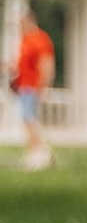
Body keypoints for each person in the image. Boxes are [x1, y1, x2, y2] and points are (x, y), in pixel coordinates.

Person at [12, 11, 56, 170]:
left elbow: (46, 63)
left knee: (29, 118)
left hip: (33, 86)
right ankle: (36, 150)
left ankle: (39, 152)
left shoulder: (40, 39)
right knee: (27, 118)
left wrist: (44, 85)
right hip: (23, 85)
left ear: (30, 22)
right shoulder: (25, 39)